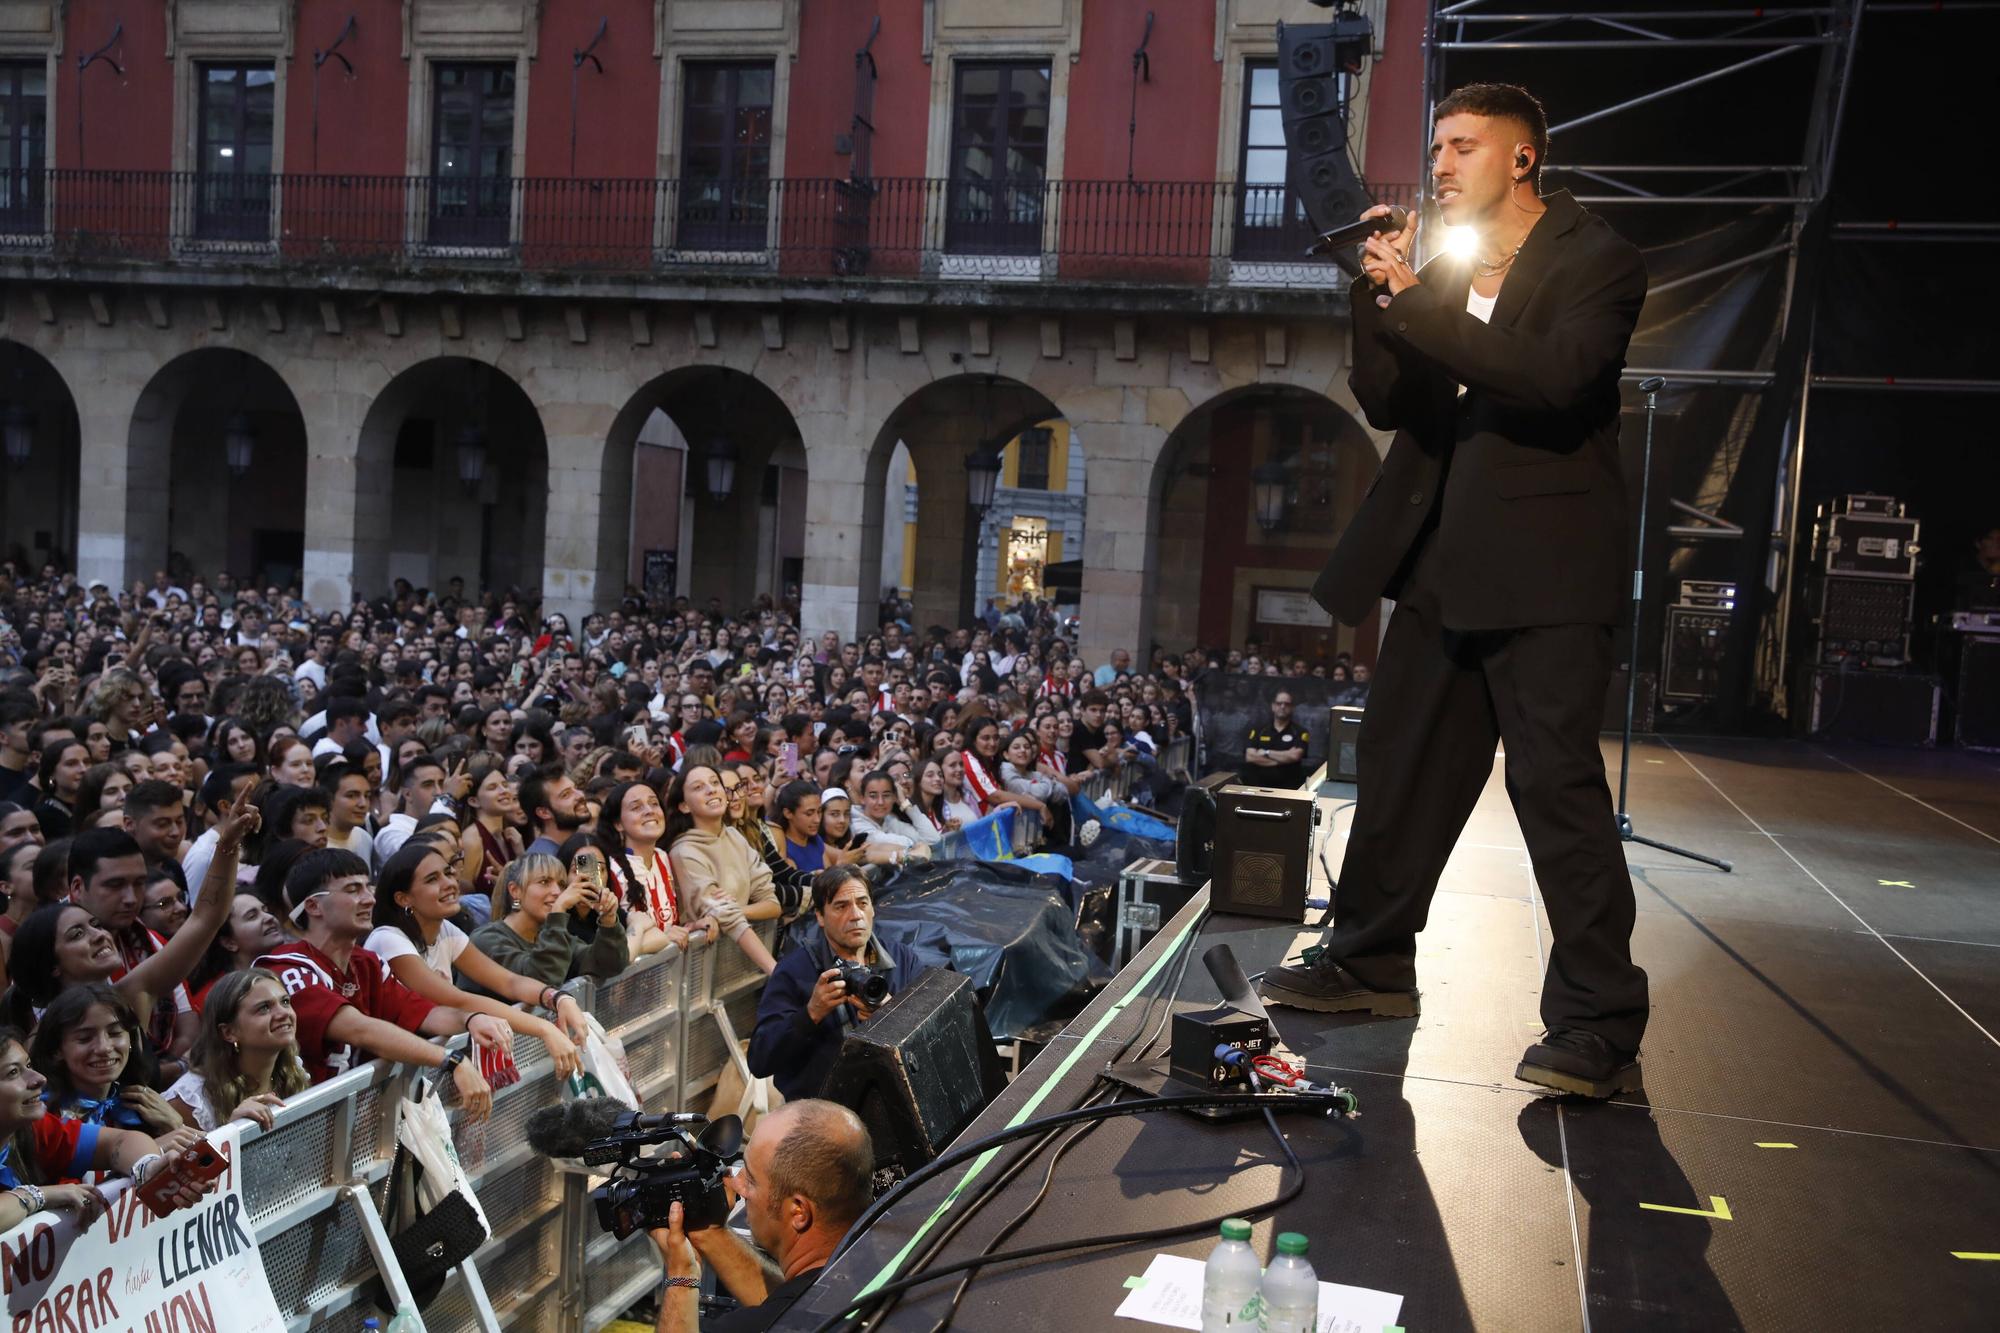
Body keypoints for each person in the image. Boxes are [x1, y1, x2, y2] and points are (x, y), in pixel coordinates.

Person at [1258, 83, 1651, 1100]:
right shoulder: (1437, 269)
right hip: (1439, 560)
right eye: (1434, 144)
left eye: (1462, 145)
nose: (1438, 163)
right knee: (1395, 768)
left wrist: (1422, 300)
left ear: (1519, 160)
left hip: (1548, 569)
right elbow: (1389, 395)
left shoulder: (1595, 260)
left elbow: (1553, 378)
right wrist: (1373, 286)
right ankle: (1371, 963)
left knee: (1552, 790)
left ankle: (1596, 1023)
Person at [255, 847, 495, 1117]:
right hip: (292, 1124)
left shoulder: (367, 962)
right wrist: (451, 1059)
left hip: (348, 1118)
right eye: (353, 889)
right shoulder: (285, 967)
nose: (369, 899)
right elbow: (359, 1029)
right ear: (313, 906)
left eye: (368, 887)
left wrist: (473, 1019)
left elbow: (424, 1012)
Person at [649, 1099, 874, 1333]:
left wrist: (681, 1275)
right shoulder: (890, 1251)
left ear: (798, 1211)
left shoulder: (763, 1327)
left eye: (751, 1179)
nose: (736, 1184)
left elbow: (781, 1317)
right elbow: (795, 1301)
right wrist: (709, 1233)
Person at [0, 1026, 216, 1231]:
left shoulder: (36, 1128)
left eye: (28, 1066)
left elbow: (120, 1141)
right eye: (12, 1073)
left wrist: (148, 1168)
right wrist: (38, 1196)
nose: (38, 1079)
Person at [748, 866, 926, 1101]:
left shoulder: (903, 959)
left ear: (872, 908)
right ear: (820, 916)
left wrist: (892, 1015)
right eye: (841, 906)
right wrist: (810, 1014)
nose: (855, 915)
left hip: (892, 1100)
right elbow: (760, 1060)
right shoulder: (795, 972)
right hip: (822, 1111)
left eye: (862, 903)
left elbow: (931, 1037)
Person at [665, 766, 779, 975]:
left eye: (715, 783)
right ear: (683, 805)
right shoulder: (684, 851)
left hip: (741, 966)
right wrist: (776, 971)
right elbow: (730, 917)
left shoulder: (734, 836)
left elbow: (772, 904)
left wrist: (735, 910)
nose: (711, 790)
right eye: (699, 787)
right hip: (701, 972)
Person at [471, 852, 629, 989]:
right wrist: (558, 911)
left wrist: (608, 920)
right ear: (515, 891)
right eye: (544, 882)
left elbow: (609, 965)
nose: (557, 892)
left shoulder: (555, 936)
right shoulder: (486, 940)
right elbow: (542, 984)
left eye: (561, 884)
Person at [1242, 691, 1308, 790]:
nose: (1282, 706)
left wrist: (1265, 752)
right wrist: (1284, 759)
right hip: (1258, 786)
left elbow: (1295, 756)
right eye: (1279, 703)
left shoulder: (1300, 732)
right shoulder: (1259, 729)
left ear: (1292, 707)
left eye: (1287, 704)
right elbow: (1250, 757)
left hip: (1288, 788)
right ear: (1273, 706)